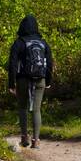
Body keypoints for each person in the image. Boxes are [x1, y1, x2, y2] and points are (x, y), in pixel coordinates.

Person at [6, 15, 53, 148]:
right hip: (40, 80)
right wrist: (48, 80)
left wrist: (11, 83)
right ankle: (36, 140)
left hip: (22, 80)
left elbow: (13, 64)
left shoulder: (19, 42)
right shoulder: (43, 43)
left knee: (23, 108)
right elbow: (49, 63)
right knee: (36, 110)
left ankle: (24, 137)